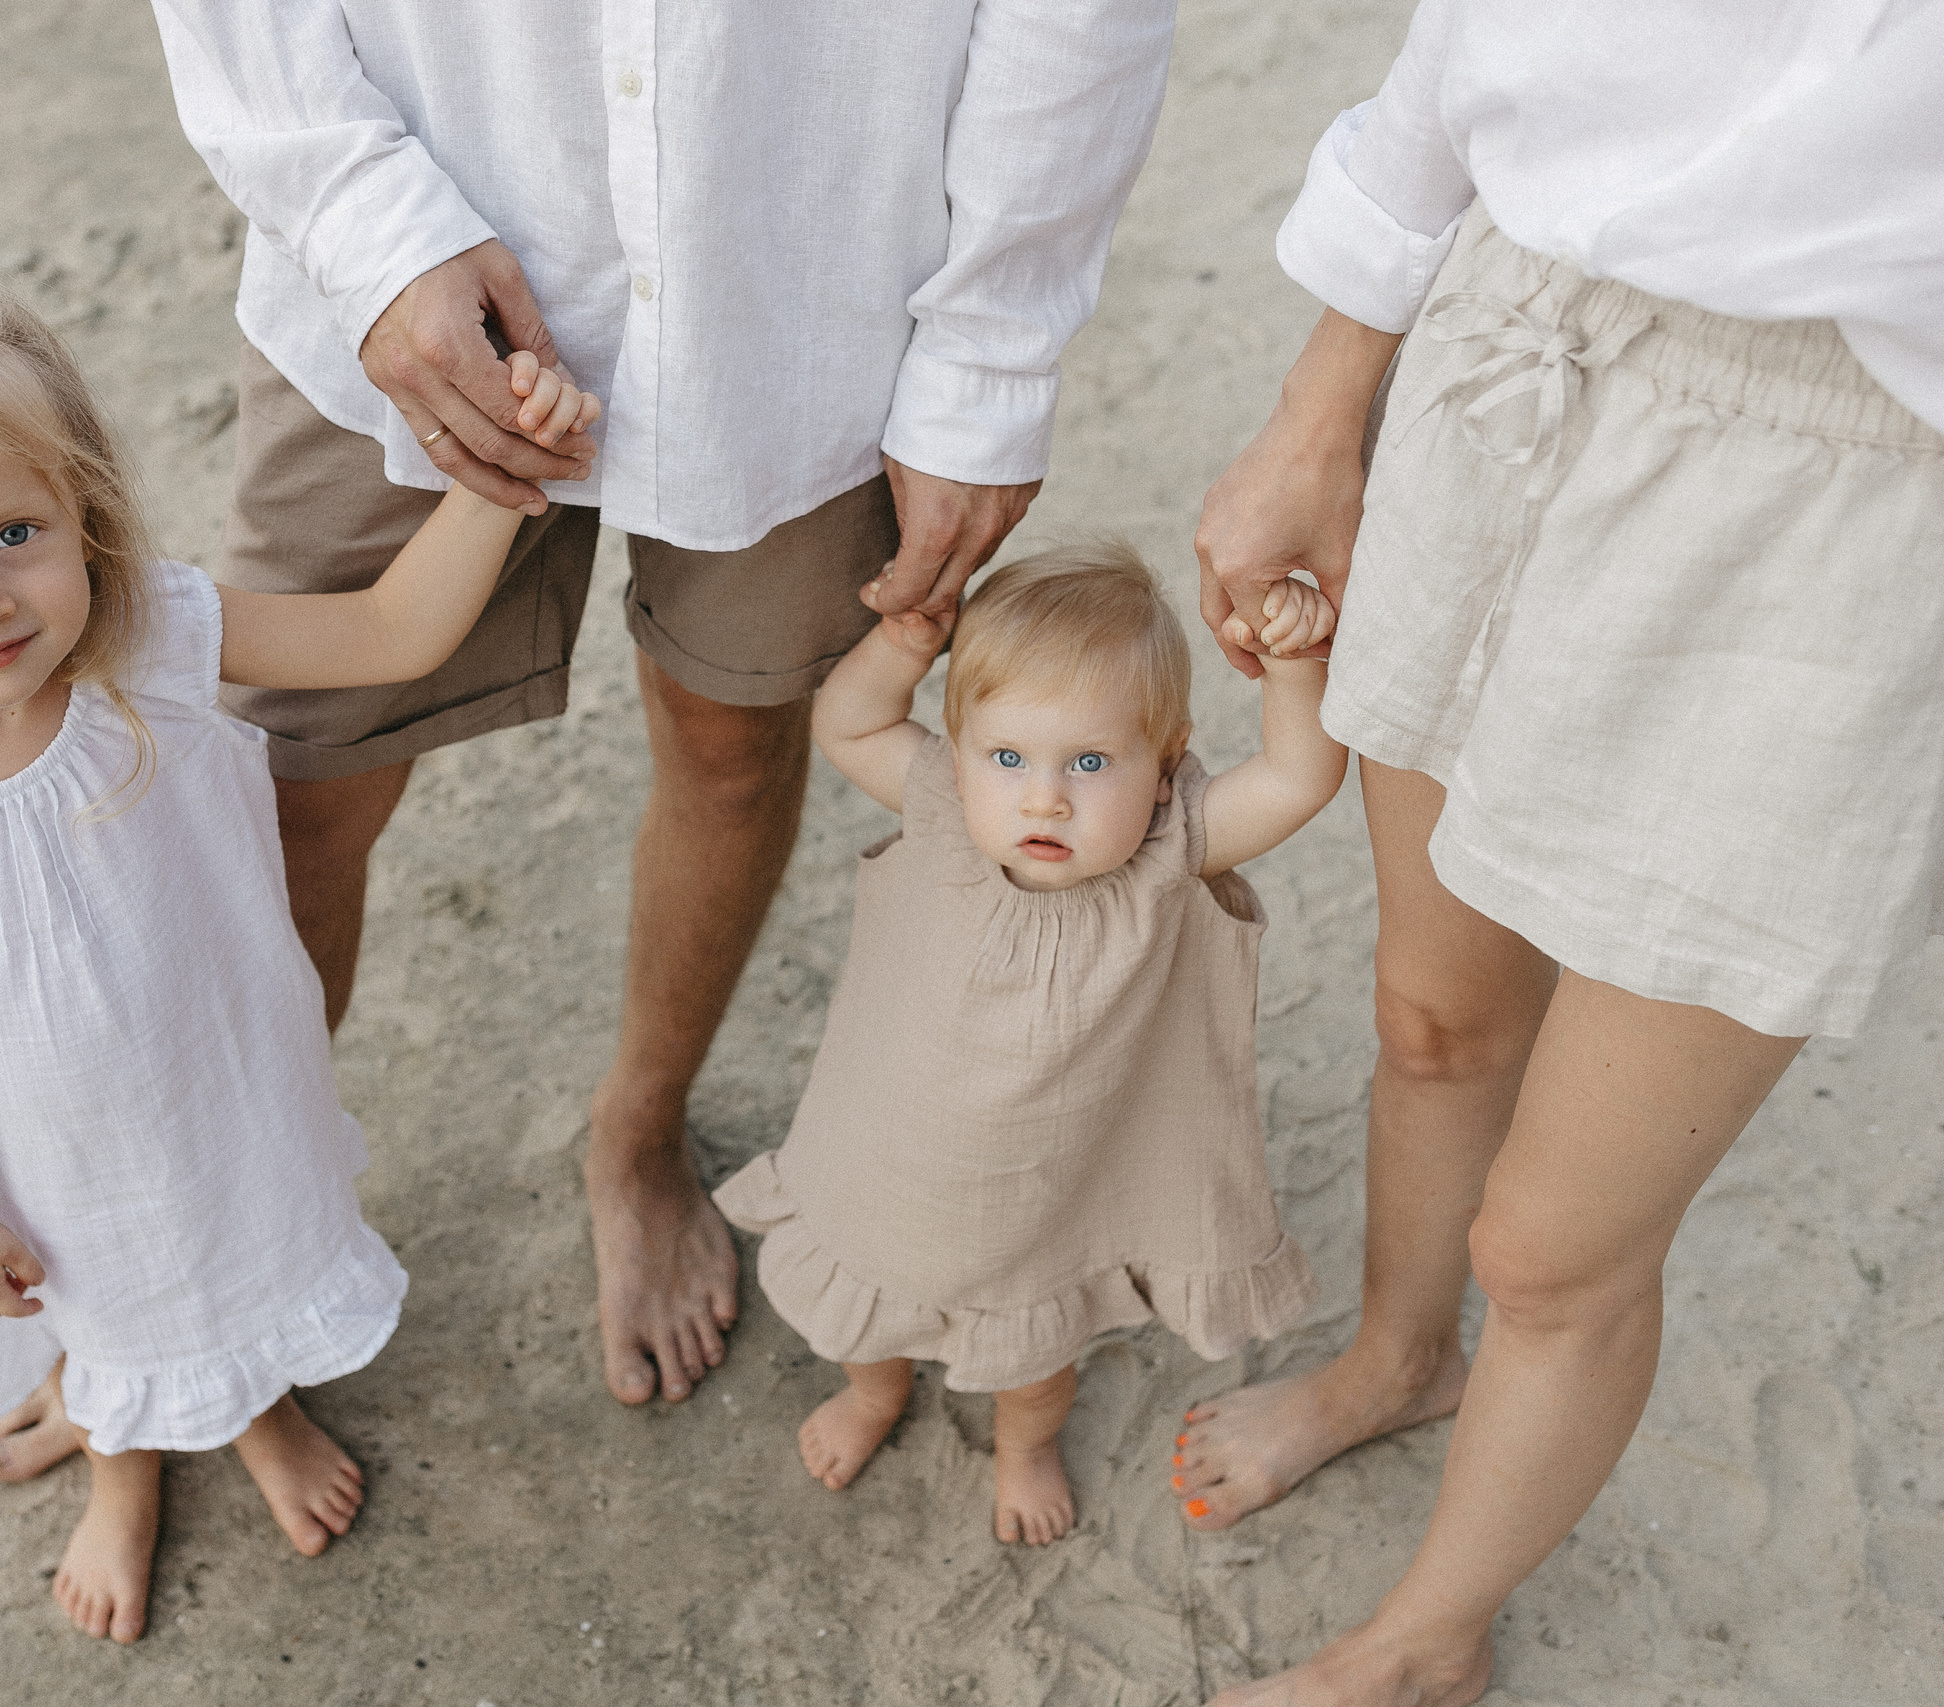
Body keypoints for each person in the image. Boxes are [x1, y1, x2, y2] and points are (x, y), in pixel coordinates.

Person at [145, 0, 1176, 1407]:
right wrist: (357, 218)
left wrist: (992, 349)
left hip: (809, 262)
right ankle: (212, 1244)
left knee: (734, 742)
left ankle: (639, 1132)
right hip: (407, 203)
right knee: (292, 789)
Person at [1172, 4, 1944, 1701]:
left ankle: (1423, 1643)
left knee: (1556, 1245)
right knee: (1433, 1019)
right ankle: (1395, 1357)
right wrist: (1318, 406)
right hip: (1521, 335)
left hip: (1866, 479)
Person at [0, 271, 594, 1643]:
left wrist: (505, 474)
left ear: (83, 511)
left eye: (15, 533)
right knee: (92, 1287)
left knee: (225, 1234)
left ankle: (257, 1404)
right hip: (21, 1151)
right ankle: (119, 1462)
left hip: (212, 1076)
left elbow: (392, 631)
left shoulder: (156, 639)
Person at [713, 546, 1345, 1544]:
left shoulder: (1169, 852)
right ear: (961, 747)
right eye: (1006, 758)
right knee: (867, 1316)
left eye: (1089, 763)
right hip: (891, 1164)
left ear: (1165, 762)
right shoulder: (941, 808)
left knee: (1036, 1363)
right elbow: (847, 721)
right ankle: (874, 1396)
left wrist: (1296, 670)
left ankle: (1023, 1448)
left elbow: (1299, 778)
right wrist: (902, 643)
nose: (1044, 798)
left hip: (1049, 1194)